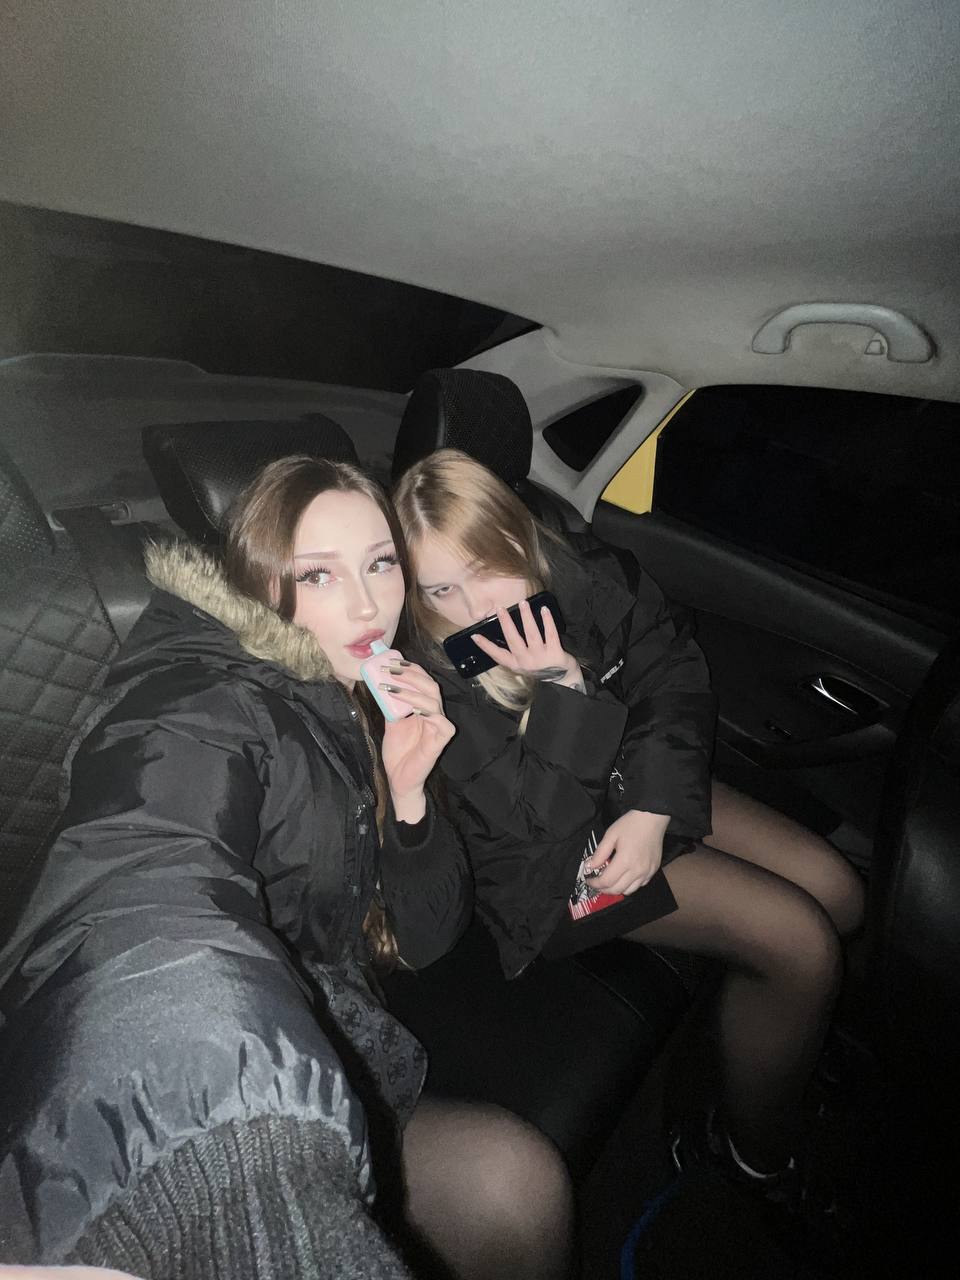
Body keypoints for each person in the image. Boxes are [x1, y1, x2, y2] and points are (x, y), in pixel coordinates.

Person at [0, 456, 571, 1280]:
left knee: (521, 1191)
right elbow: (137, 887)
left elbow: (426, 939)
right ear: (263, 581)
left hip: (343, 1024)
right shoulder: (197, 701)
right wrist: (234, 1162)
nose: (369, 605)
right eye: (319, 575)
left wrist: (411, 798)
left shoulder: (348, 686)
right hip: (229, 1071)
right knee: (514, 1186)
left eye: (381, 564)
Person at [393, 448, 865, 1210]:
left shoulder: (579, 572)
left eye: (484, 570)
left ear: (518, 537)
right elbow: (533, 828)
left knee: (840, 892)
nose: (472, 606)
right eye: (439, 589)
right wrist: (563, 690)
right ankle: (751, 1155)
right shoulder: (431, 682)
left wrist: (651, 807)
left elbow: (668, 667)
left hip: (629, 788)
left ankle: (770, 1042)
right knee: (800, 943)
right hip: (549, 873)